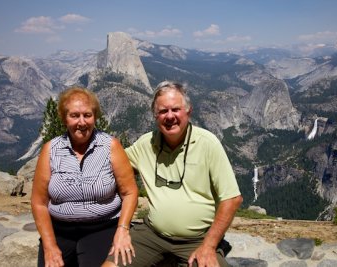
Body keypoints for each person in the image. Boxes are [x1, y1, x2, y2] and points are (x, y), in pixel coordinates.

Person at [103, 81, 243, 267]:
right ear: (155, 116)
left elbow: (232, 199)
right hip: (151, 235)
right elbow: (112, 164)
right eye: (163, 111)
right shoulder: (146, 144)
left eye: (175, 109)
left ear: (188, 111)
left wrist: (209, 246)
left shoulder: (207, 143)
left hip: (198, 239)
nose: (170, 116)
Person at [32, 86, 138, 267]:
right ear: (64, 118)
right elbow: (39, 202)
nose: (82, 122)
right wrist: (49, 245)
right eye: (74, 115)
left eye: (87, 115)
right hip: (60, 231)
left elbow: (130, 192)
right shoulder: (51, 149)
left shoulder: (110, 146)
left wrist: (122, 230)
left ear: (95, 117)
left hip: (102, 228)